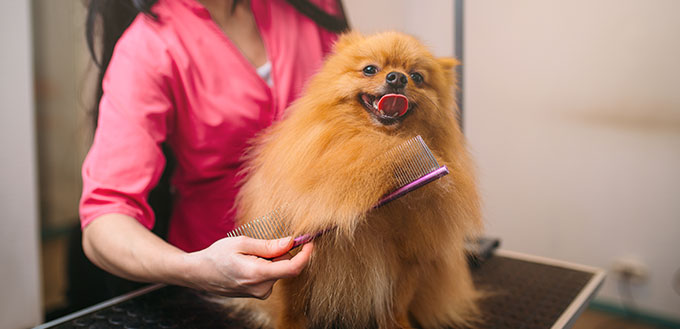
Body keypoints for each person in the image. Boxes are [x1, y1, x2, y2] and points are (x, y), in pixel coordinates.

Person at [79, 0, 348, 300]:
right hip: (217, 298)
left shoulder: (314, 8)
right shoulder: (148, 46)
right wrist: (197, 269)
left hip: (330, 275)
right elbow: (104, 222)